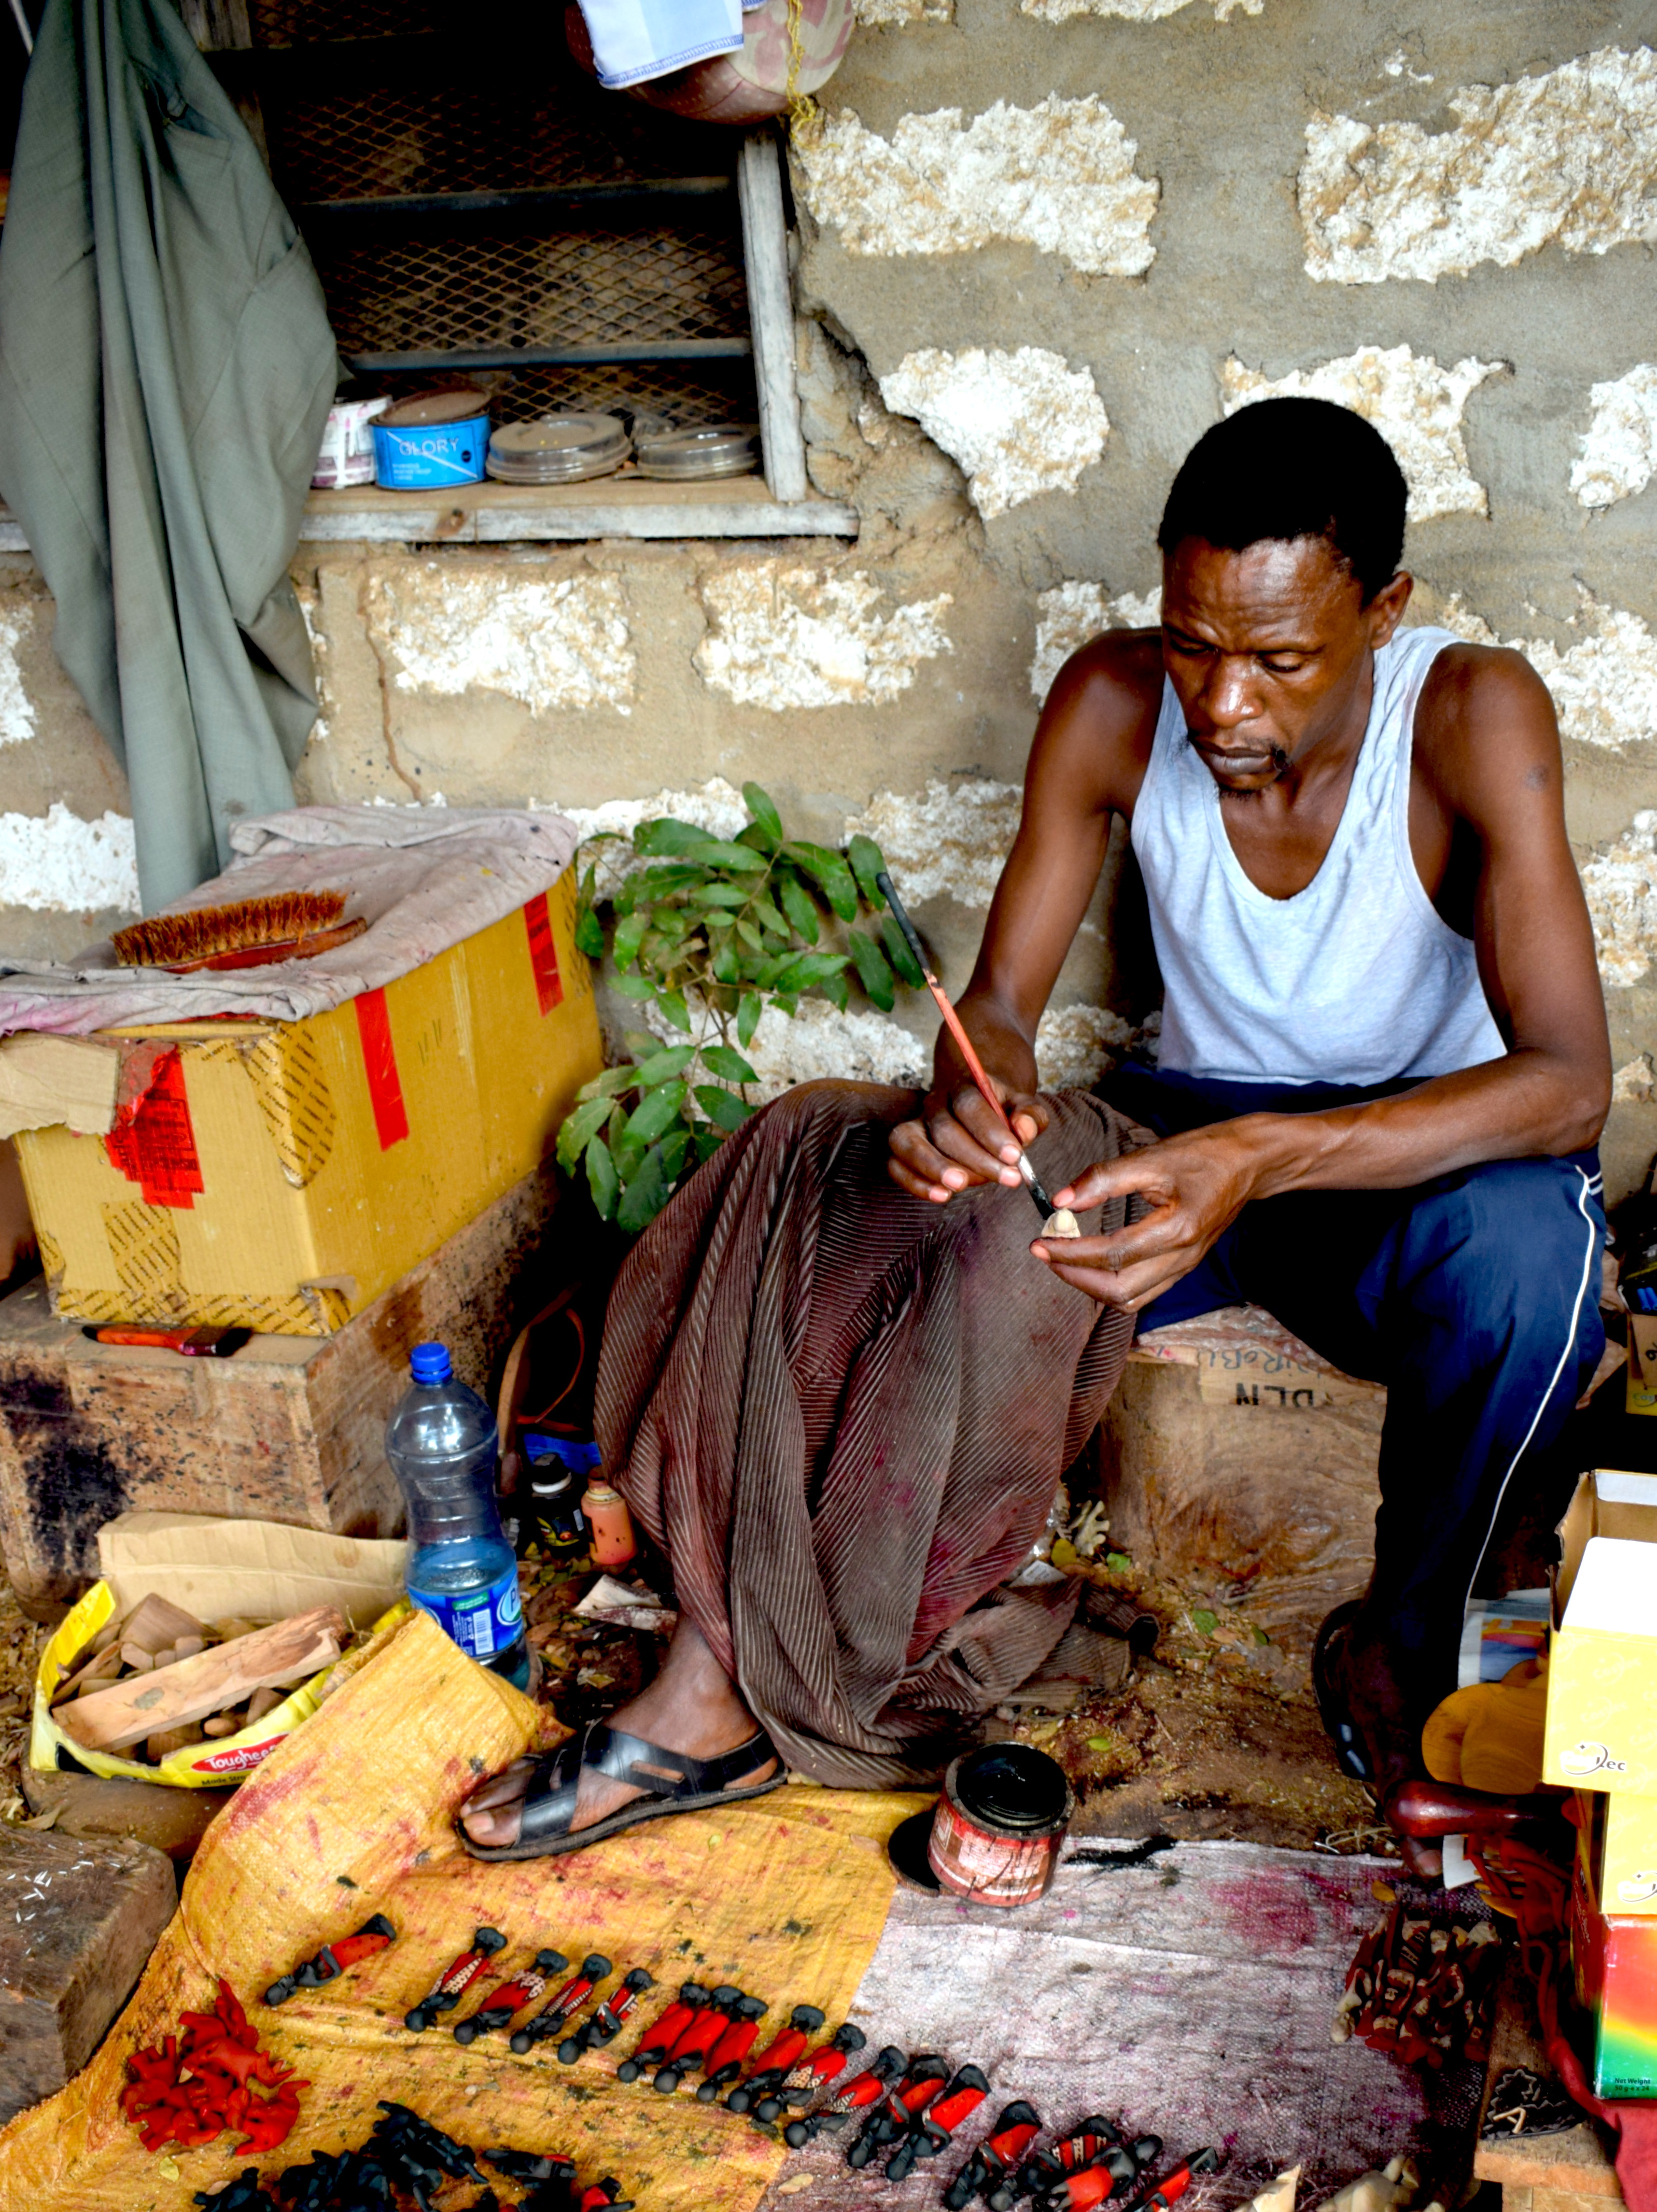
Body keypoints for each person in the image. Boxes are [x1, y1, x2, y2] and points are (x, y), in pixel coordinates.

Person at [460, 397, 1610, 1877]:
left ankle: (1403, 1639)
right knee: (866, 1179)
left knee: (1536, 1251)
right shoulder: (1114, 704)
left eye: (1278, 658)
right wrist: (972, 1094)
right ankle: (723, 1682)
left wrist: (1261, 1158)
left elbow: (1566, 1083)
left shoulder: (1467, 713)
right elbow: (1000, 1004)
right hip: (1185, 1132)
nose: (1221, 705)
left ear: (1383, 611)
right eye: (1194, 643)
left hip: (1413, 1159)